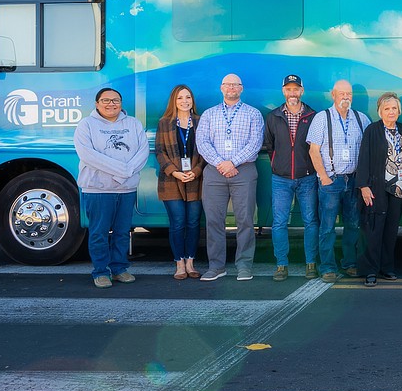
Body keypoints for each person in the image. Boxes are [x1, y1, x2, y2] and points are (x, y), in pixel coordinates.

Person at [74, 88, 150, 288]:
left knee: (122, 232)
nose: (111, 104)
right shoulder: (86, 125)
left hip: (126, 190)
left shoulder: (133, 124)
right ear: (97, 103)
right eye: (106, 100)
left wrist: (126, 172)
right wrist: (122, 171)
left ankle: (119, 269)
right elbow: (88, 156)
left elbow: (143, 152)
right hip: (98, 189)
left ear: (121, 103)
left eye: (115, 100)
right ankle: (100, 271)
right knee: (98, 232)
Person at [196, 73, 265, 282]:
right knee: (214, 220)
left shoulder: (253, 114)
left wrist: (232, 163)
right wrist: (221, 163)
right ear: (221, 88)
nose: (231, 88)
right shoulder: (209, 114)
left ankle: (244, 265)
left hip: (243, 171)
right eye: (227, 85)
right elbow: (202, 142)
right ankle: (216, 266)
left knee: (245, 220)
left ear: (241, 88)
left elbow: (255, 143)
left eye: (235, 85)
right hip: (214, 171)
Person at [307, 80, 369, 282]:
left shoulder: (362, 119)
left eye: (349, 94)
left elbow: (368, 150)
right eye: (341, 93)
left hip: (354, 181)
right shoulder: (321, 118)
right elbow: (313, 150)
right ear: (333, 95)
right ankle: (327, 267)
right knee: (327, 227)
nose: (346, 97)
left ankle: (350, 263)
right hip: (331, 181)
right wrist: (324, 177)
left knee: (353, 225)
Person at [263, 74, 319, 282]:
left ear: (302, 91)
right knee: (278, 223)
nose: (292, 92)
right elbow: (270, 146)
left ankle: (311, 263)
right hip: (281, 179)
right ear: (283, 91)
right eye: (288, 89)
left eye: (296, 89)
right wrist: (278, 164)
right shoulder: (273, 116)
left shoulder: (313, 116)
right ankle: (281, 265)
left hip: (307, 178)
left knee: (311, 221)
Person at [356, 92, 402, 286]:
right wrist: (363, 186)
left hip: (398, 188)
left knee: (391, 230)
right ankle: (370, 270)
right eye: (387, 109)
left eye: (394, 108)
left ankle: (387, 267)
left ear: (399, 111)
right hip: (377, 187)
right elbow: (363, 159)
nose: (391, 112)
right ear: (380, 111)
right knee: (374, 229)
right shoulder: (373, 130)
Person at [155, 84, 205, 280]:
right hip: (171, 179)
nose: (184, 101)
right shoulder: (164, 122)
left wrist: (197, 170)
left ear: (192, 101)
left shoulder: (201, 121)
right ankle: (179, 264)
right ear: (173, 102)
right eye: (180, 98)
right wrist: (174, 172)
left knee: (193, 223)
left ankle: (191, 262)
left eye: (188, 97)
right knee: (178, 223)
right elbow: (160, 152)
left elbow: (205, 150)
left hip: (195, 178)